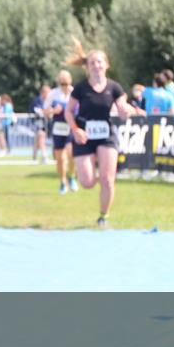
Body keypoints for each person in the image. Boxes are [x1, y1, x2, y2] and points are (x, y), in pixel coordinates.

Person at [64, 42, 133, 228]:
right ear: (87, 67)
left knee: (107, 180)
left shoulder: (114, 87)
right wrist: (75, 129)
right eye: (93, 62)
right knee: (86, 182)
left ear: (106, 65)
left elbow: (122, 108)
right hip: (84, 136)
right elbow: (68, 111)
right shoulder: (80, 88)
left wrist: (126, 111)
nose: (97, 65)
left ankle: (103, 217)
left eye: (100, 62)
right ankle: (88, 174)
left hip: (106, 136)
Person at [43, 70, 78, 194]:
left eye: (66, 83)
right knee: (60, 158)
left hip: (71, 127)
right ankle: (63, 183)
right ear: (58, 82)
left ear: (70, 81)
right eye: (62, 83)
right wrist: (53, 110)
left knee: (71, 154)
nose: (65, 86)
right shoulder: (53, 94)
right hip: (58, 128)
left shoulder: (75, 93)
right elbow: (44, 110)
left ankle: (72, 176)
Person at [30, 83, 51, 163]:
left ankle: (34, 156)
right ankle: (44, 156)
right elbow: (37, 111)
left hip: (46, 123)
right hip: (38, 122)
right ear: (43, 92)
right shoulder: (37, 100)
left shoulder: (49, 101)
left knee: (37, 139)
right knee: (41, 136)